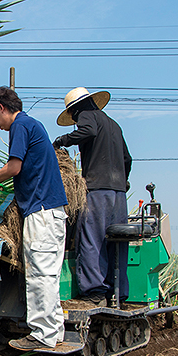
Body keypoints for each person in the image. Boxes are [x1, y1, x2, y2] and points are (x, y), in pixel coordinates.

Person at [0, 87, 68, 351]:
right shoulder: (33, 125)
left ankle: (42, 335)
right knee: (50, 274)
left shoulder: (21, 126)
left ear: (1, 108)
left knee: (39, 274)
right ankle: (55, 332)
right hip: (52, 212)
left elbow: (14, 167)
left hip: (41, 212)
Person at [53, 88, 132, 307]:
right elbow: (127, 159)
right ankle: (118, 292)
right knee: (116, 242)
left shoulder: (86, 116)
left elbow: (88, 131)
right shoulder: (114, 125)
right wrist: (122, 181)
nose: (76, 121)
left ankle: (95, 291)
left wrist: (62, 140)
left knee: (91, 239)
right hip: (119, 195)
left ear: (76, 109)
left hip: (97, 191)